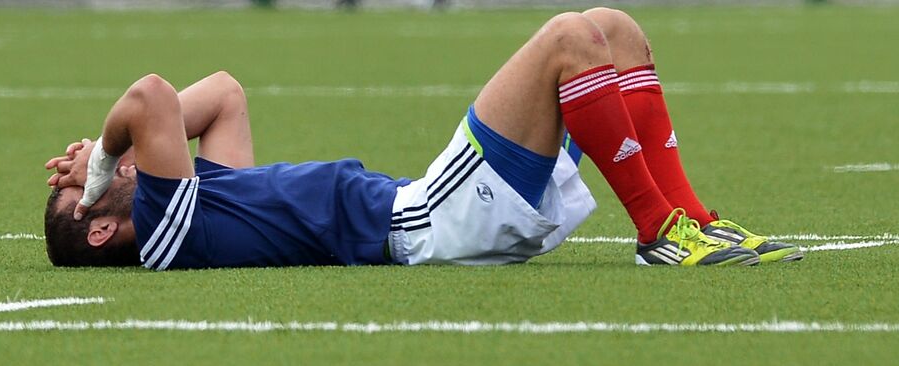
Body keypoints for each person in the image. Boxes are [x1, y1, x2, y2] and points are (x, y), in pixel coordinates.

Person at [43, 7, 802, 270]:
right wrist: (107, 153)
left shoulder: (208, 204)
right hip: (427, 218)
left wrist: (111, 162)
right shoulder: (174, 231)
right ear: (102, 227)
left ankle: (690, 221)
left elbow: (224, 96)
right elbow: (149, 97)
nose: (91, 162)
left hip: (440, 213)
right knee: (572, 37)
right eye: (84, 191)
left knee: (616, 32)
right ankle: (657, 233)